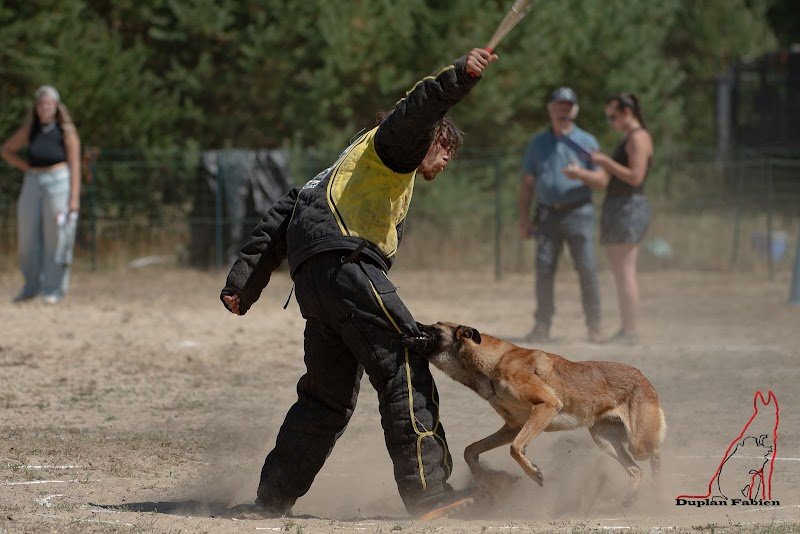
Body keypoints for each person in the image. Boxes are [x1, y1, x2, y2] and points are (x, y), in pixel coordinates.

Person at [220, 48, 497, 518]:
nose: (447, 161)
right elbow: (419, 106)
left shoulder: (342, 168)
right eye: (446, 149)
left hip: (315, 282)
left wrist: (243, 284)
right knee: (405, 363)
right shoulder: (397, 144)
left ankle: (271, 500)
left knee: (325, 399)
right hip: (348, 265)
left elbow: (280, 217)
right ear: (431, 138)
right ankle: (430, 495)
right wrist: (461, 77)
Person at [563, 93, 653, 345]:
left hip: (629, 206)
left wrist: (605, 161)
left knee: (625, 272)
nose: (610, 121)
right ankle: (627, 328)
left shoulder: (638, 137)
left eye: (613, 116)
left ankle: (630, 330)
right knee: (620, 271)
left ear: (627, 112)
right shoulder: (630, 138)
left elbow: (636, 176)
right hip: (619, 206)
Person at [518, 87, 604, 342]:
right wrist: (524, 217)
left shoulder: (586, 141)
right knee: (544, 269)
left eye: (568, 106)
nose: (563, 110)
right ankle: (542, 325)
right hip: (547, 216)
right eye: (558, 105)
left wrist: (582, 175)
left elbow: (601, 179)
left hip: (579, 213)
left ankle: (594, 326)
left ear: (575, 110)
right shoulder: (538, 143)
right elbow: (527, 183)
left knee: (587, 268)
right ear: (550, 109)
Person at [1, 85, 81, 304]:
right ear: (36, 107)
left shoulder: (66, 132)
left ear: (57, 107)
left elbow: (75, 165)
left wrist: (74, 199)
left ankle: (53, 289)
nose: (45, 108)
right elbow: (6, 150)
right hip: (33, 181)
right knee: (27, 236)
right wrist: (25, 166)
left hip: (59, 182)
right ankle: (30, 286)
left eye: (50, 104)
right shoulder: (31, 130)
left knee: (56, 236)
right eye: (41, 104)